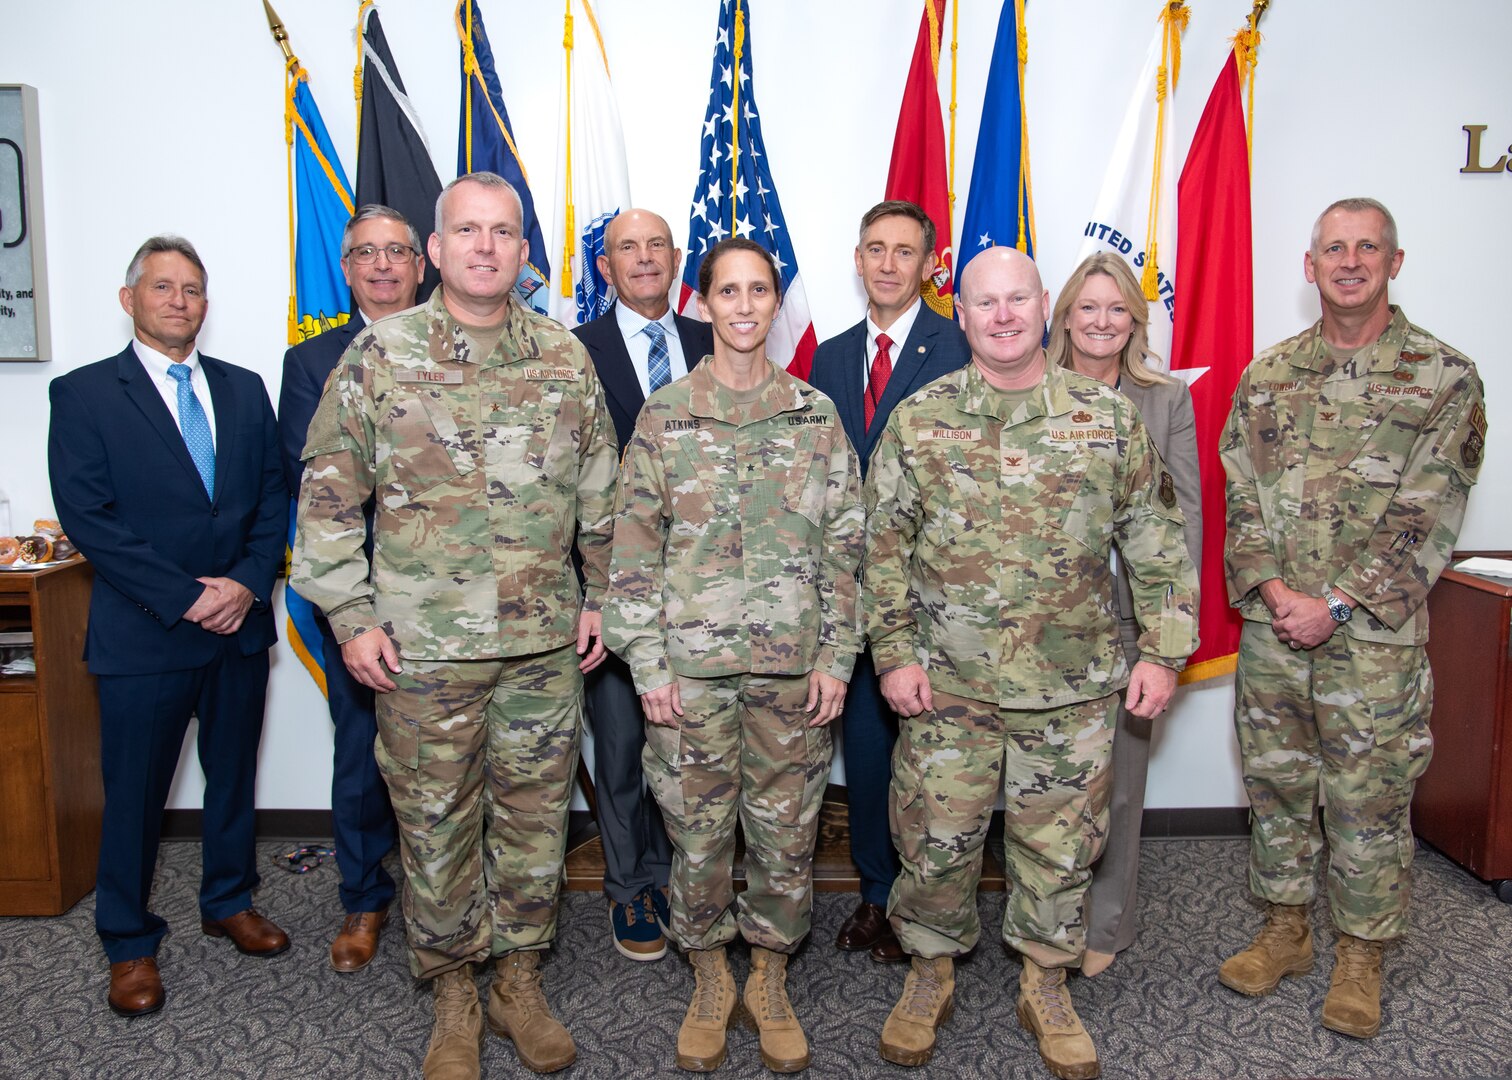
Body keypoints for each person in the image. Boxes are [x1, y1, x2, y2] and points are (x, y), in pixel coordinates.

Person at [292, 172, 618, 1079]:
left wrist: (601, 596)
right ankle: (453, 989)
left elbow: (602, 494)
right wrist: (351, 618)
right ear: (434, 250)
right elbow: (325, 497)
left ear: (524, 252)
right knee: (434, 823)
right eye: (466, 231)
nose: (485, 247)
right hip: (422, 652)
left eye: (503, 232)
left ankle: (517, 975)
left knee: (534, 819)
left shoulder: (564, 359)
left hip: (542, 648)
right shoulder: (380, 355)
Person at [864, 246, 1198, 1078]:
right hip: (949, 688)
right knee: (937, 843)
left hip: (1072, 687)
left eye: (1018, 299)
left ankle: (1046, 982)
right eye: (986, 303)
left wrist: (1163, 651)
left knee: (1059, 849)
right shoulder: (921, 417)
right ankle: (930, 972)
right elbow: (880, 551)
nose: (1004, 315)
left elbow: (1159, 546)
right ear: (963, 315)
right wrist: (894, 655)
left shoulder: (1105, 416)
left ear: (1042, 304)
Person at [1218, 198, 1485, 1039]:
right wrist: (1274, 596)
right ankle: (1286, 929)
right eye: (1334, 247)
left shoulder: (1445, 377)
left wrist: (1332, 604)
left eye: (1369, 247)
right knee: (1278, 785)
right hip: (1274, 634)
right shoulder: (1267, 375)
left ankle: (1363, 954)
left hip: (1373, 640)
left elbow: (1427, 514)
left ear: (1394, 264)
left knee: (1369, 797)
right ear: (1310, 266)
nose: (1350, 260)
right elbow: (1240, 496)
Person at [603, 237, 863, 1074]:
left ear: (775, 302)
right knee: (698, 834)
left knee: (786, 838)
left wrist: (836, 657)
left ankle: (771, 975)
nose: (745, 306)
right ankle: (711, 972)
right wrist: (647, 669)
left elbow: (847, 548)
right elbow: (632, 555)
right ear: (703, 302)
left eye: (760, 291)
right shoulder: (665, 416)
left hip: (793, 674)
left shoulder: (814, 416)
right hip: (691, 676)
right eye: (728, 292)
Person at [48, 236, 289, 1017]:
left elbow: (273, 503)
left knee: (232, 782)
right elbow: (92, 519)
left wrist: (248, 584)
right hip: (147, 634)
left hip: (238, 630)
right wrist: (187, 596)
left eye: (191, 289)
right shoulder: (84, 396)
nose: (179, 301)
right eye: (162, 287)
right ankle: (128, 942)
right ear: (130, 300)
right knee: (135, 799)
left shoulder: (247, 391)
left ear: (205, 305)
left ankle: (228, 900)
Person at [807, 199, 970, 964]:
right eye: (875, 248)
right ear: (858, 257)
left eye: (904, 252)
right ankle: (877, 894)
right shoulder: (831, 357)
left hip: (934, 597)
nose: (887, 264)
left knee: (936, 764)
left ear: (929, 264)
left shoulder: (962, 348)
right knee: (868, 755)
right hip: (852, 593)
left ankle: (927, 901)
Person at [278, 204, 425, 972]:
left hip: (452, 598)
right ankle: (364, 896)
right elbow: (326, 483)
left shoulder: (459, 346)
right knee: (361, 749)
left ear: (422, 263)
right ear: (345, 268)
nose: (382, 266)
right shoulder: (313, 364)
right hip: (357, 599)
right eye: (365, 252)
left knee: (470, 757)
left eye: (397, 251)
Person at [1047, 252, 1202, 978]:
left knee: (1120, 783)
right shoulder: (1029, 390)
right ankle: (1045, 918)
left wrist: (1167, 636)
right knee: (1044, 785)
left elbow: (1187, 521)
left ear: (1134, 322)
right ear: (1066, 315)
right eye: (1089, 308)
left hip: (1129, 625)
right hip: (1039, 627)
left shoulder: (1166, 400)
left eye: (1117, 310)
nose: (1102, 322)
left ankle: (1106, 923)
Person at [570, 208, 714, 962]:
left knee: (691, 740)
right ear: (605, 267)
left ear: (677, 257)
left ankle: (693, 878)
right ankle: (632, 886)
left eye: (657, 245)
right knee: (623, 740)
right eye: (628, 247)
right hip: (615, 580)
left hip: (705, 587)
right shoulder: (573, 352)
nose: (645, 258)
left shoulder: (714, 338)